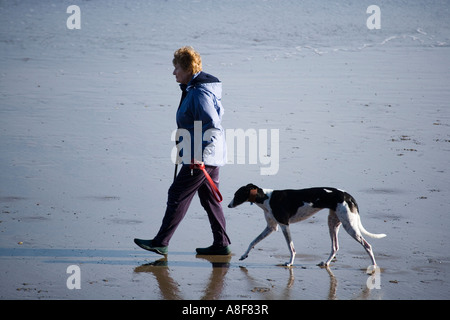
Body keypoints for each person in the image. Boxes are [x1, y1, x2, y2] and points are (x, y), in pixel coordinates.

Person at [134, 46, 231, 255]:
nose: (173, 72)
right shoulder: (194, 89)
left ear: (187, 68)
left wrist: (200, 156)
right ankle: (221, 244)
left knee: (177, 193)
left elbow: (212, 124)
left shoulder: (199, 93)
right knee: (210, 199)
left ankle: (161, 242)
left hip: (202, 156)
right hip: (208, 154)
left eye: (176, 67)